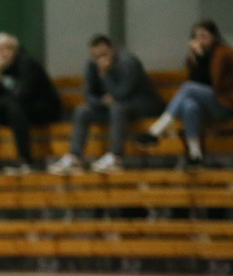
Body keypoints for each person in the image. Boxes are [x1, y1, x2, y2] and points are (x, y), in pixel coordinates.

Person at [49, 34, 164, 174]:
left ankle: (115, 156)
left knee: (117, 108)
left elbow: (122, 93)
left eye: (104, 54)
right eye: (96, 56)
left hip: (138, 107)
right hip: (110, 108)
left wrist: (105, 74)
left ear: (113, 50)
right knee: (82, 111)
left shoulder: (128, 62)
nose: (100, 60)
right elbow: (89, 95)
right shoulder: (91, 64)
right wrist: (101, 101)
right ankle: (75, 156)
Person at [136, 19, 233, 167]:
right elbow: (197, 80)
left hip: (224, 103)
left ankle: (156, 131)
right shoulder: (197, 55)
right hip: (207, 105)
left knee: (188, 88)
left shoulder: (223, 53)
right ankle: (195, 154)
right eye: (197, 36)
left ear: (214, 36)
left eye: (204, 36)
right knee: (189, 106)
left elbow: (215, 82)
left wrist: (201, 58)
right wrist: (196, 58)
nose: (200, 40)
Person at [0, 32, 61, 174]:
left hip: (43, 109)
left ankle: (26, 160)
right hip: (18, 111)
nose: (1, 53)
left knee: (14, 107)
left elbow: (23, 95)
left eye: (5, 48)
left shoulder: (26, 63)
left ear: (14, 49)